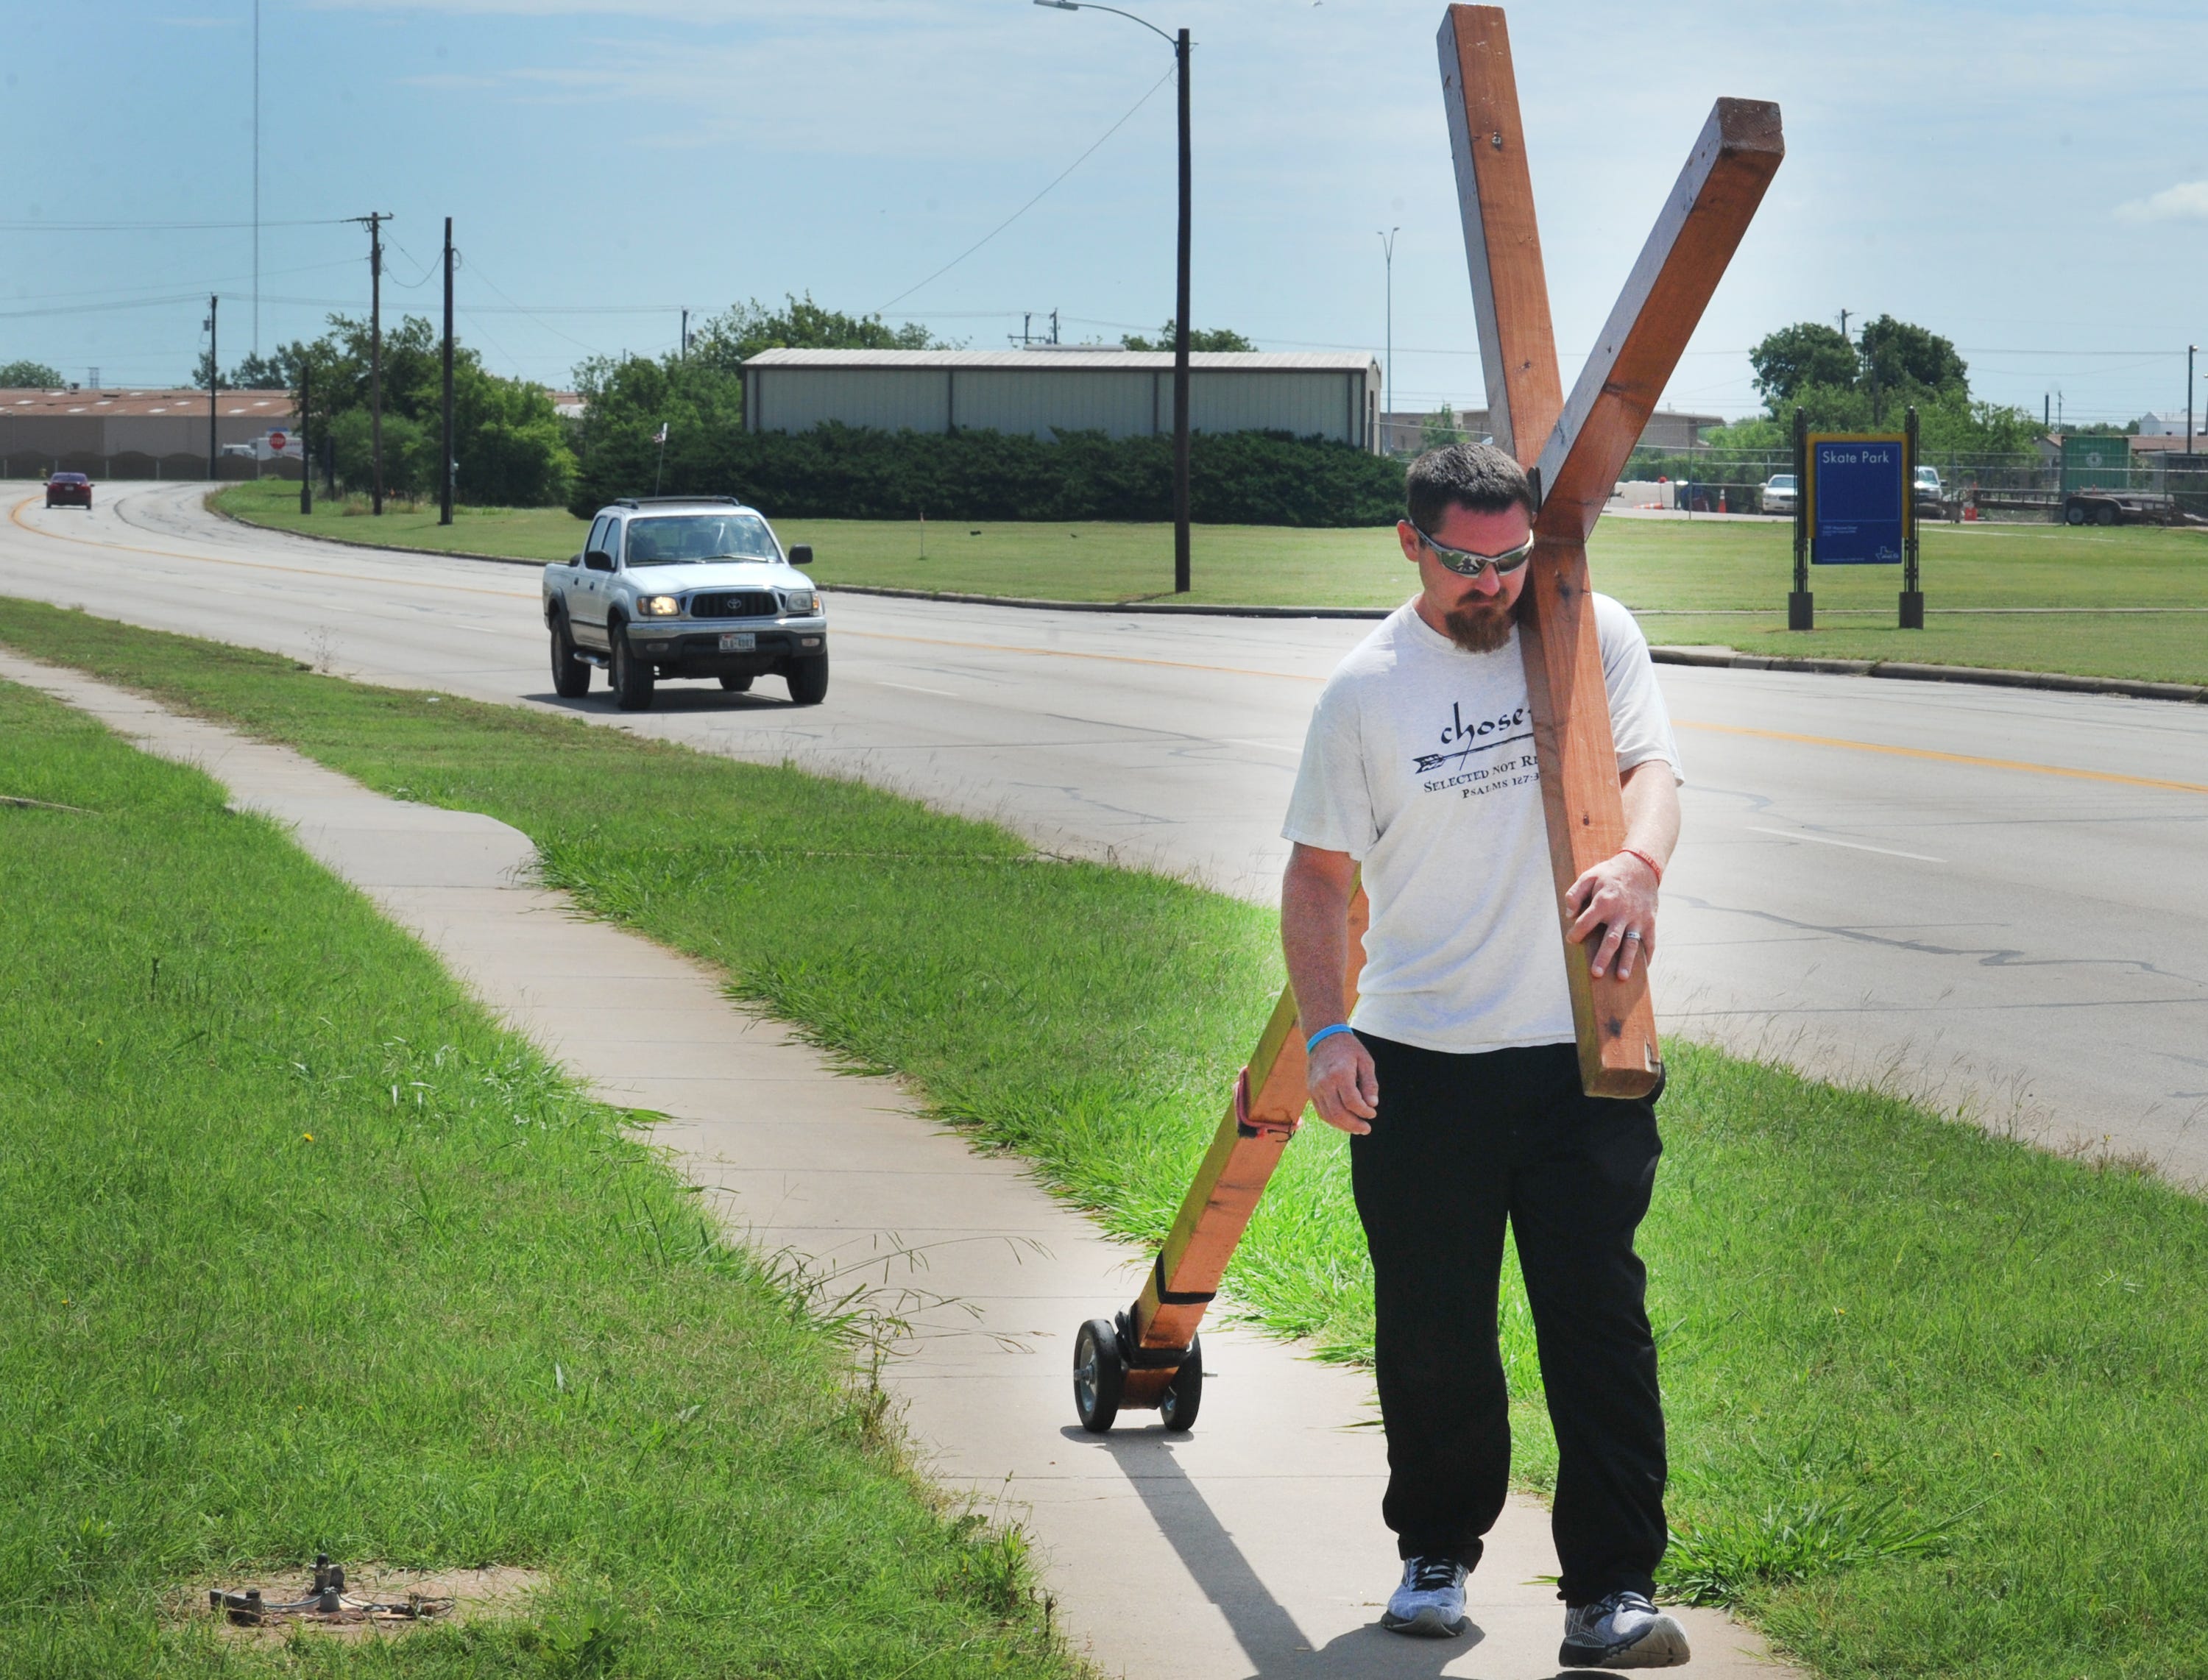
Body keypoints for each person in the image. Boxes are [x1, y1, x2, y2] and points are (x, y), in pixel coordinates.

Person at [1279, 442, 1691, 1669]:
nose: (1494, 584)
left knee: (1597, 1322)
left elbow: (1654, 772)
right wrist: (1327, 1031)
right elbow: (1315, 879)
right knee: (1434, 1325)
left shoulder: (1586, 630)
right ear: (1412, 544)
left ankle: (1610, 1591)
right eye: (1467, 561)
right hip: (1425, 1057)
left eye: (1513, 559)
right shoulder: (1364, 691)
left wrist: (1639, 862)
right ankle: (1436, 1557)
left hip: (1584, 1056)